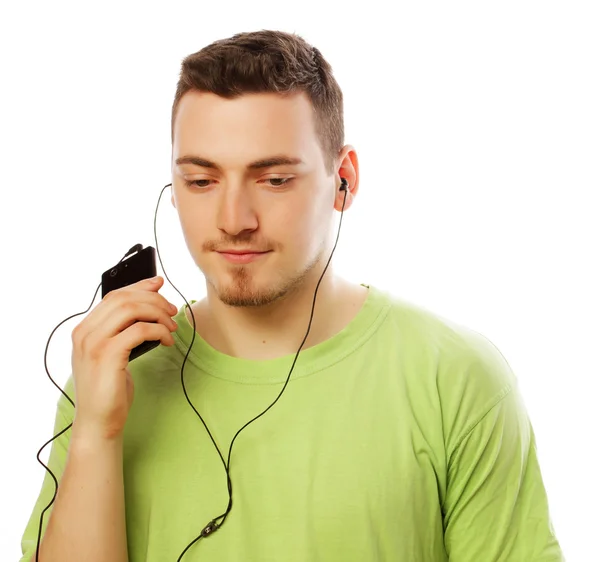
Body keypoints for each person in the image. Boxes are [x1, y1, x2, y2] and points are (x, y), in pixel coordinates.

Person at [19, 29, 564, 562]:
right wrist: (95, 429)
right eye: (201, 181)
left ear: (343, 179)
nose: (234, 221)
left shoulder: (456, 378)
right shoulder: (113, 374)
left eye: (274, 179)